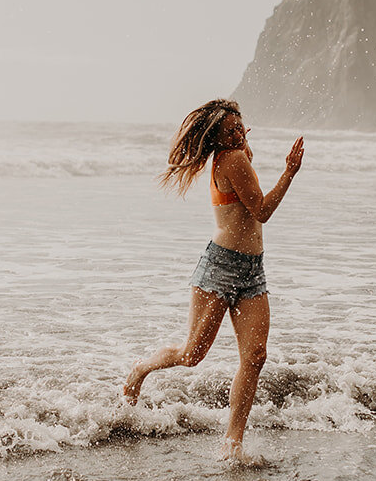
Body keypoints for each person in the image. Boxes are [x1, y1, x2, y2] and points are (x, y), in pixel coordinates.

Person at [123, 99, 303, 460]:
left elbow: (247, 189)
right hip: (220, 269)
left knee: (254, 357)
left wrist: (242, 139)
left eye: (241, 127)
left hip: (253, 270)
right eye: (230, 131)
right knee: (191, 355)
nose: (238, 134)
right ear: (216, 139)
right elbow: (263, 211)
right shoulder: (233, 159)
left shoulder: (237, 152)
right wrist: (289, 171)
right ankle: (139, 370)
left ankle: (232, 444)